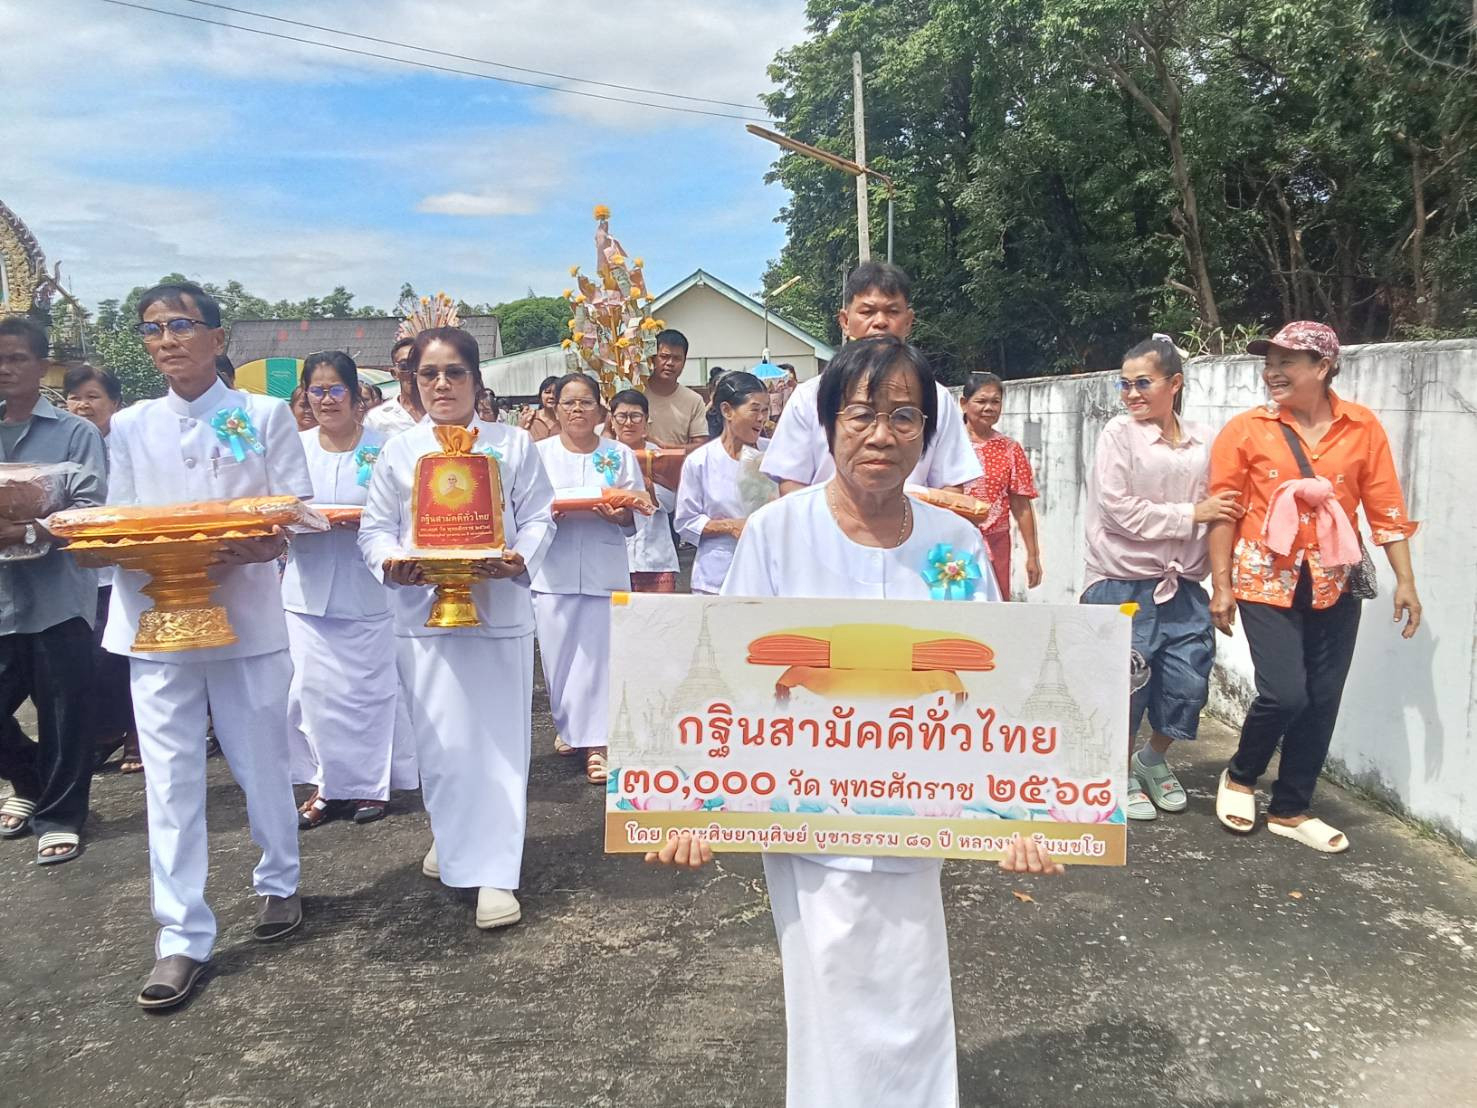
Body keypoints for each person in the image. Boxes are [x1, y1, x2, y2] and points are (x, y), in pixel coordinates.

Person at [649, 334, 1059, 1107]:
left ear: (929, 434)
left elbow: (996, 691)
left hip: (920, 813)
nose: (881, 435)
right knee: (826, 988)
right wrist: (688, 802)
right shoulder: (778, 532)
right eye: (862, 414)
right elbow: (729, 679)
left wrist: (1030, 815)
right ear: (828, 424)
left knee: (911, 985)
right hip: (805, 819)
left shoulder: (957, 543)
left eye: (904, 417)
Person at [102, 283, 312, 1009]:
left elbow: (292, 506)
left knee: (261, 761)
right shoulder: (129, 425)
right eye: (152, 329)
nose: (167, 339)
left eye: (182, 324)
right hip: (155, 622)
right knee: (170, 782)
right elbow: (119, 519)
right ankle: (181, 938)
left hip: (247, 618)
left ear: (217, 337)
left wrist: (252, 547)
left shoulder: (261, 414)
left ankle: (279, 879)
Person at [359, 327, 555, 929]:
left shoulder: (513, 444)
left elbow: (540, 517)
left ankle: (495, 871)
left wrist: (519, 558)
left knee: (498, 742)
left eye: (454, 372)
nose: (441, 384)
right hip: (424, 614)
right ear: (412, 383)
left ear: (476, 379)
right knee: (441, 744)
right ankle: (456, 835)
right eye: (428, 374)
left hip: (498, 609)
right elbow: (376, 530)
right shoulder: (398, 451)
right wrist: (395, 564)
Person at [1209, 322, 1421, 853]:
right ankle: (1240, 774)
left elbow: (1385, 508)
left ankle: (1290, 808)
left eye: (1286, 363)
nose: (1272, 373)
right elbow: (1223, 514)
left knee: (1324, 697)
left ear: (1322, 367)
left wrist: (1407, 582)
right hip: (1264, 576)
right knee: (1285, 692)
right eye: (1269, 362)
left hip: (1336, 577)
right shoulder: (1246, 429)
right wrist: (1221, 585)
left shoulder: (1361, 426)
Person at [1080, 336, 1240, 821]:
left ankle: (1151, 760)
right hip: (1120, 582)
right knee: (1123, 687)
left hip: (1183, 586)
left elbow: (1223, 511)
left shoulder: (1207, 440)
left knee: (1187, 683)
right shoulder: (1118, 435)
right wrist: (1193, 513)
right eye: (1124, 384)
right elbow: (1118, 512)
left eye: (1142, 383)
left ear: (1174, 384)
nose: (1131, 394)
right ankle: (1117, 772)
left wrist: (1221, 581)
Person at [0, 317, 107, 865]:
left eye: (16, 358)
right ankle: (28, 778)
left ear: (42, 367)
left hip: (57, 595)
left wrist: (26, 527)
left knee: (65, 712)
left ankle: (61, 815)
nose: (4, 368)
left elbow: (90, 513)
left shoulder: (74, 433)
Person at [282, 352, 401, 828]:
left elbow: (399, 511)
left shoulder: (385, 447)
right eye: (317, 390)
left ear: (356, 395)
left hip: (368, 585)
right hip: (307, 588)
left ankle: (371, 787)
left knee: (368, 692)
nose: (327, 400)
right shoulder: (294, 447)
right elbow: (278, 509)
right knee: (311, 693)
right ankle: (327, 786)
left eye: (336, 390)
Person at [761, 261, 980, 494]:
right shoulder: (809, 396)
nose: (880, 322)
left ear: (908, 321)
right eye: (867, 312)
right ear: (845, 321)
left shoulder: (937, 398)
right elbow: (792, 483)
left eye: (892, 312)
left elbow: (951, 486)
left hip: (916, 528)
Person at [530, 372, 644, 784]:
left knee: (601, 659)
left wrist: (620, 514)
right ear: (555, 408)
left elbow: (636, 507)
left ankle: (600, 744)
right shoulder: (537, 454)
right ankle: (571, 728)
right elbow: (522, 509)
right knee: (559, 661)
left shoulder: (619, 454)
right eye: (568, 403)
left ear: (600, 408)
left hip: (604, 567)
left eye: (585, 402)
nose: (577, 410)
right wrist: (547, 514)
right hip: (554, 570)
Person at [63, 365, 141, 774]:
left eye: (93, 397)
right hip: (70, 570)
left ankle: (130, 733)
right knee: (84, 658)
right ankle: (105, 731)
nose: (83, 405)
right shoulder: (60, 446)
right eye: (75, 397)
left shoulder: (124, 447)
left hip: (118, 567)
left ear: (115, 404)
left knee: (118, 655)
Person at [674, 371, 777, 594]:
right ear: (727, 410)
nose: (761, 418)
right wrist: (730, 526)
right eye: (754, 409)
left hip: (769, 573)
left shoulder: (775, 455)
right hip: (717, 576)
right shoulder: (701, 461)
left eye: (765, 410)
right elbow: (685, 521)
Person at [959, 371, 1042, 596]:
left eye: (995, 402)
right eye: (981, 401)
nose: (989, 408)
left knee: (994, 606)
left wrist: (1033, 555)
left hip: (997, 544)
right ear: (964, 404)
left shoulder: (1010, 449)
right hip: (954, 541)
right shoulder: (946, 445)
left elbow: (1021, 505)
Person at [609, 389, 679, 593]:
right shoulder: (604, 455)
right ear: (612, 421)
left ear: (646, 420)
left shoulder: (659, 455)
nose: (628, 423)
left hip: (656, 555)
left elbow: (671, 502)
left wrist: (649, 489)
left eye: (635, 416)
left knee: (660, 620)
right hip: (616, 555)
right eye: (621, 416)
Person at [643, 330, 709, 449]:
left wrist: (665, 448)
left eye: (677, 358)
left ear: (684, 362)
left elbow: (700, 446)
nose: (670, 363)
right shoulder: (636, 394)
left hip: (678, 466)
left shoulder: (694, 400)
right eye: (664, 357)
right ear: (652, 358)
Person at [363, 336, 423, 438]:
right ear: (394, 373)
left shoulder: (445, 412)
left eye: (418, 365)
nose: (413, 372)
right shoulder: (377, 418)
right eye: (405, 366)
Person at [518, 375, 560, 442]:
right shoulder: (529, 419)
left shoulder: (566, 420)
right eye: (547, 392)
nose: (552, 396)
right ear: (540, 395)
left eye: (556, 393)